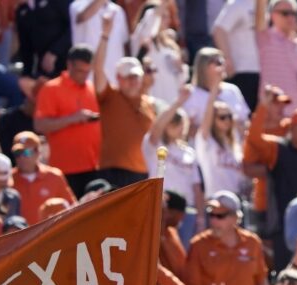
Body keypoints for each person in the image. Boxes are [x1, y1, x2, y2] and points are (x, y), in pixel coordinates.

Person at [244, 87, 297, 269]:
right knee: (287, 275)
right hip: (284, 229)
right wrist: (263, 107)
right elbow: (255, 139)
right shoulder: (279, 149)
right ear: (293, 128)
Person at [186, 191, 269, 285]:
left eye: (220, 216)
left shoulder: (253, 243)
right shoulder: (198, 245)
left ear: (236, 218)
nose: (214, 221)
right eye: (211, 215)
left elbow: (261, 280)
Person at [94, 13, 155, 188]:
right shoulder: (110, 96)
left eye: (135, 76)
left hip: (143, 174)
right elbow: (98, 70)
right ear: (118, 78)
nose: (133, 81)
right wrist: (105, 35)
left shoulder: (148, 103)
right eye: (127, 77)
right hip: (114, 171)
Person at [34, 45, 102, 198]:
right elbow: (40, 125)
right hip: (64, 169)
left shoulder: (91, 88)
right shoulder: (51, 89)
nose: (84, 75)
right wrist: (73, 118)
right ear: (69, 65)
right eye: (79, 71)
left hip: (93, 166)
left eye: (87, 71)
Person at [142, 86, 205, 235]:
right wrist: (178, 103)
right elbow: (157, 127)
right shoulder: (154, 144)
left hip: (186, 210)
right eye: (172, 120)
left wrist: (201, 216)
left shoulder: (189, 152)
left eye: (179, 120)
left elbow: (196, 187)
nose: (177, 124)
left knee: (181, 256)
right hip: (160, 208)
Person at [195, 71, 247, 198]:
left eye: (229, 116)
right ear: (213, 119)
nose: (227, 120)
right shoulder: (207, 141)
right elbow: (207, 114)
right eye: (222, 117)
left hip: (236, 199)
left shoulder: (235, 144)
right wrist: (214, 89)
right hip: (215, 199)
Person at [255, 0, 297, 113]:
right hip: (273, 112)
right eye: (285, 13)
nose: (290, 17)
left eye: (293, 13)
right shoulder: (266, 38)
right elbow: (259, 17)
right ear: (272, 15)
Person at [10, 131, 76, 225]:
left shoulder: (54, 176)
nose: (21, 157)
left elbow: (70, 207)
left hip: (49, 235)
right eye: (17, 153)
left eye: (26, 152)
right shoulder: (7, 179)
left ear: (37, 152)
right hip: (20, 238)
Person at [131, 2, 188, 105]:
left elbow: (180, 80)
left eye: (168, 16)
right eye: (163, 16)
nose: (167, 20)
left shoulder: (170, 45)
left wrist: (180, 69)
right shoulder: (140, 39)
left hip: (172, 100)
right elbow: (150, 22)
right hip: (152, 100)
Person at [183, 47, 250, 134]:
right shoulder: (191, 93)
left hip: (234, 145)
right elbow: (187, 129)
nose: (223, 66)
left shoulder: (232, 89)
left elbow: (245, 120)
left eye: (223, 61)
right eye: (219, 62)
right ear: (204, 67)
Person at [212, 0, 261, 110]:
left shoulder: (265, 5)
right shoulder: (238, 3)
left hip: (261, 72)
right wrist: (227, 58)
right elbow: (219, 30)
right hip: (241, 71)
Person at [70, 0, 129, 87]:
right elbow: (82, 17)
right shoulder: (78, 5)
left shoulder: (118, 11)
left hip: (113, 81)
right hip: (87, 80)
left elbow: (124, 43)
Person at [16, 0, 72, 78]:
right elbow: (26, 47)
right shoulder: (22, 10)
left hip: (67, 63)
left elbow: (73, 26)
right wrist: (26, 74)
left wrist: (54, 52)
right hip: (44, 68)